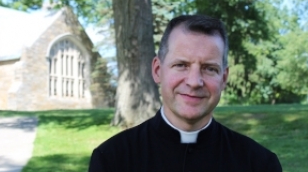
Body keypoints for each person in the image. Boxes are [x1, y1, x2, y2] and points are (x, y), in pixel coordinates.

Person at [88, 15, 282, 172]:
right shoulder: (112, 159)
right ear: (157, 70)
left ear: (223, 78)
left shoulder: (259, 164)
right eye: (181, 65)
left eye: (209, 68)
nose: (194, 82)